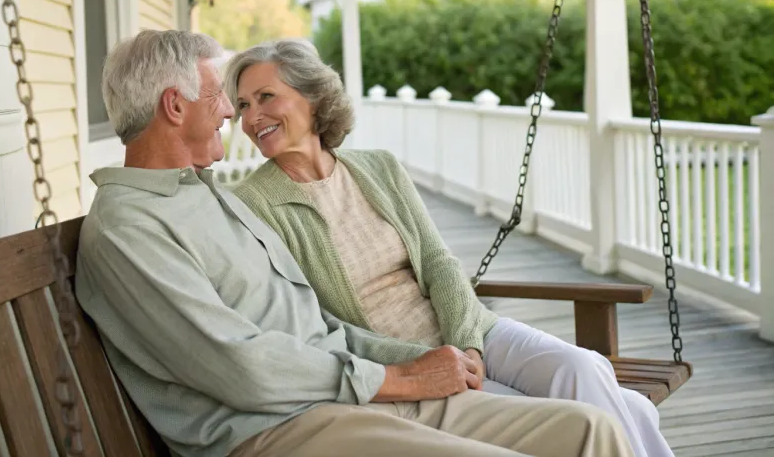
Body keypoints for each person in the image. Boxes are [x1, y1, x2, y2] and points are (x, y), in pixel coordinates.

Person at [75, 29, 636, 457]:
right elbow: (239, 368)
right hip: (276, 428)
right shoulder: (130, 228)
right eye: (224, 99)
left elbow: (321, 327)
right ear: (175, 107)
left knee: (592, 428)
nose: (231, 113)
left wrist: (420, 361)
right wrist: (400, 379)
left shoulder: (201, 193)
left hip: (343, 393)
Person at [227, 37, 675, 457]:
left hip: (471, 328)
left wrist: (467, 345)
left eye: (266, 97)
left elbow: (439, 262)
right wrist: (423, 363)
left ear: (314, 97)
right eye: (243, 105)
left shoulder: (376, 167)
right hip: (404, 364)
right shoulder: (254, 204)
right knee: (602, 415)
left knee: (584, 368)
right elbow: (314, 321)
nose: (251, 117)